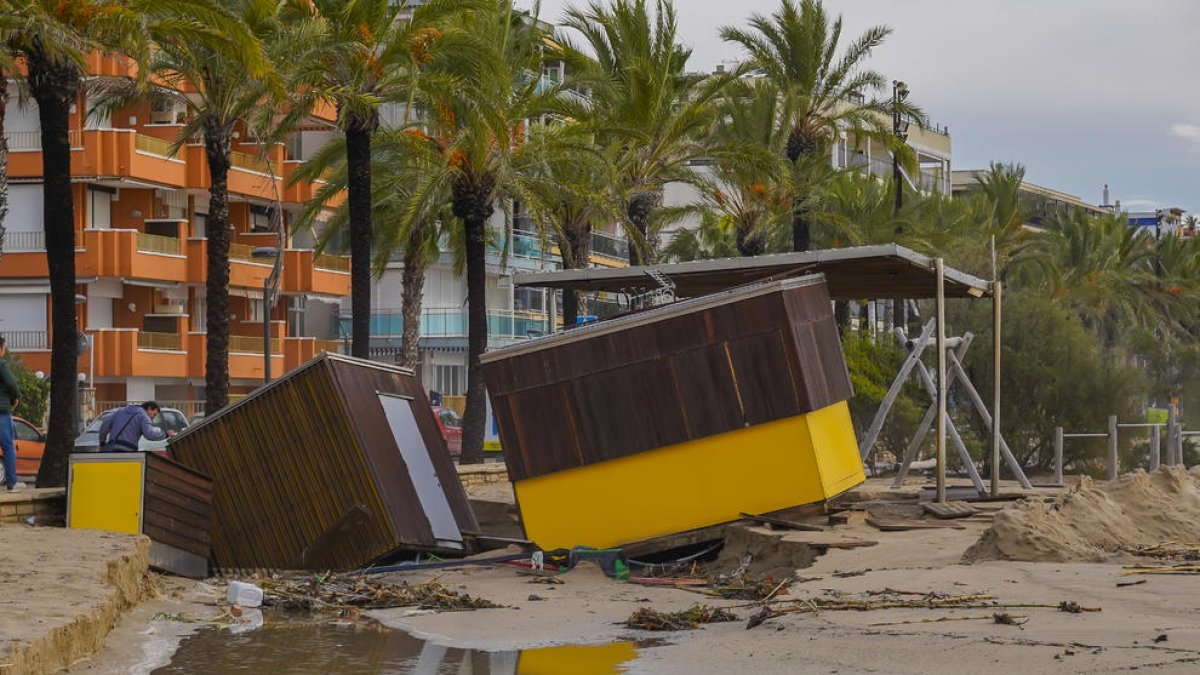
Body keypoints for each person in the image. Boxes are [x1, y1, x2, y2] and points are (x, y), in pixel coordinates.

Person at [0, 337, 26, 491]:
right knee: (8, 446)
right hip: (1, 413)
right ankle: (12, 482)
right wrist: (15, 397)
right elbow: (11, 383)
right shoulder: (1, 364)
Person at [98, 401, 170, 452]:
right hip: (128, 450)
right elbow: (149, 434)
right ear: (149, 409)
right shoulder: (144, 416)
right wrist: (165, 434)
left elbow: (105, 425)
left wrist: (102, 442)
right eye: (154, 414)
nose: (153, 418)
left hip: (111, 448)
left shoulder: (120, 411)